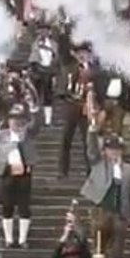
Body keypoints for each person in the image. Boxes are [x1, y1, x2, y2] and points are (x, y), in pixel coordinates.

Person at [81, 127, 130, 258]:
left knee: (118, 252)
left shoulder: (128, 170)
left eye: (116, 149)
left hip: (120, 215)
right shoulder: (98, 164)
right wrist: (91, 131)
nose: (113, 152)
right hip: (101, 213)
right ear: (105, 151)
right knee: (98, 251)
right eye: (110, 149)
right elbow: (91, 149)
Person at [0, 103, 41, 248]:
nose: (15, 121)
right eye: (12, 118)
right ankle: (8, 239)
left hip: (23, 174)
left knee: (24, 207)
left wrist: (34, 109)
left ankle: (22, 239)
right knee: (7, 206)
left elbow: (36, 125)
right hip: (7, 173)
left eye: (18, 118)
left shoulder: (27, 133)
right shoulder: (1, 135)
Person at [58, 42, 95, 179]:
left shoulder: (94, 70)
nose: (81, 56)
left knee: (88, 141)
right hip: (72, 105)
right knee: (66, 139)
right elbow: (64, 86)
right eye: (79, 53)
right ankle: (63, 170)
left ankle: (90, 170)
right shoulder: (70, 68)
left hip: (87, 107)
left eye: (84, 53)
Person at [29, 23, 59, 127]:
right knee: (35, 96)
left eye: (45, 30)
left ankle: (48, 120)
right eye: (41, 30)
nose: (43, 32)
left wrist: (54, 72)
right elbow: (33, 58)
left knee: (48, 97)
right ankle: (34, 119)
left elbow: (56, 59)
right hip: (38, 71)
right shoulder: (35, 44)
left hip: (49, 72)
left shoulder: (54, 44)